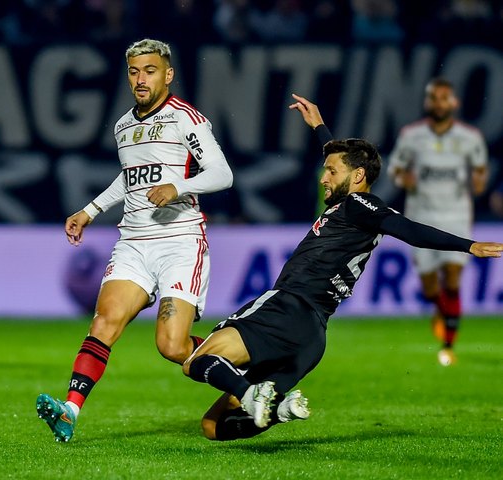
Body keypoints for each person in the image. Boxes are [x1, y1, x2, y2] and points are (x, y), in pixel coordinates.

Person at [180, 94, 503, 441]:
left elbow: (408, 230)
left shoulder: (359, 205)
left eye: (331, 172)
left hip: (287, 307)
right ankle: (280, 409)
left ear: (359, 175)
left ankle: (249, 393)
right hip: (312, 337)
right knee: (213, 427)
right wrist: (320, 127)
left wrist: (468, 245)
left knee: (196, 361)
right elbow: (342, 163)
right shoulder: (351, 207)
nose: (324, 178)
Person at [36, 38, 233, 442]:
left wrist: (178, 186)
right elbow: (129, 177)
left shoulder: (186, 119)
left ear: (168, 74)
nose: (141, 79)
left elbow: (222, 173)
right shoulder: (124, 125)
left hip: (179, 241)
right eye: (134, 71)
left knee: (172, 346)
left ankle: (242, 371)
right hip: (134, 243)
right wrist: (89, 210)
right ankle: (70, 410)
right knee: (104, 321)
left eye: (150, 70)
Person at [388, 77, 488, 366]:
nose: (440, 103)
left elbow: (480, 169)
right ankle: (440, 309)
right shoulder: (411, 136)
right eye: (435, 98)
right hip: (422, 218)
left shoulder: (471, 137)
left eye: (445, 98)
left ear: (454, 102)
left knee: (453, 279)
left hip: (456, 215)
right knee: (431, 287)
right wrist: (401, 178)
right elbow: (394, 170)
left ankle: (448, 345)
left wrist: (479, 181)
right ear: (427, 102)